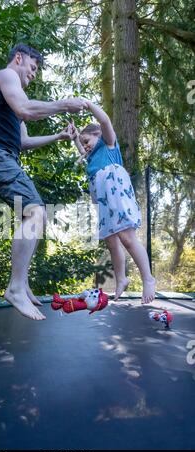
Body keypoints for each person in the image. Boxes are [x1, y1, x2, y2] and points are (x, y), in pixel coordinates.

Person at [0, 44, 88, 320]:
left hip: (3, 157)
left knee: (38, 215)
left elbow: (23, 141)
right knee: (36, 211)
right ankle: (14, 288)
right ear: (19, 58)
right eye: (33, 68)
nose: (33, 74)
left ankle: (22, 284)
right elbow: (25, 110)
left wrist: (58, 137)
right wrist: (63, 105)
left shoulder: (15, 96)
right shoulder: (7, 76)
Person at [70, 101, 155, 303]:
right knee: (111, 242)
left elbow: (105, 120)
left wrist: (89, 105)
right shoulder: (91, 157)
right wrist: (75, 138)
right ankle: (121, 279)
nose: (85, 146)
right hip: (103, 201)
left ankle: (148, 278)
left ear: (97, 134)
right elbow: (83, 152)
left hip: (117, 195)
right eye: (82, 144)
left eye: (86, 140)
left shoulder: (108, 144)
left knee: (126, 237)